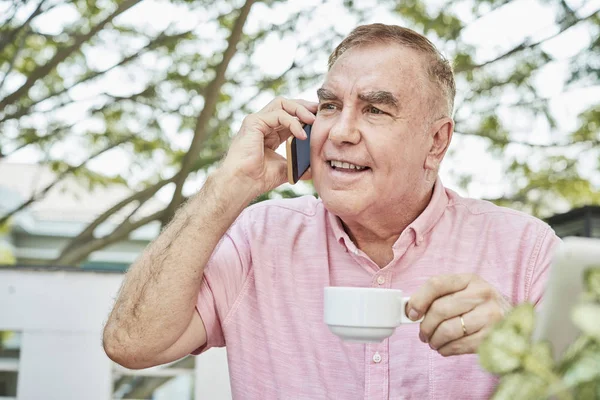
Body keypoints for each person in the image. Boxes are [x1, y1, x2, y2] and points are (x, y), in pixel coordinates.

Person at [103, 23, 561, 399]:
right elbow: (131, 344)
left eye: (375, 110)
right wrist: (229, 184)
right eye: (329, 105)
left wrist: (521, 343)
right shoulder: (256, 238)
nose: (340, 131)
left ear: (436, 141)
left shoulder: (527, 249)